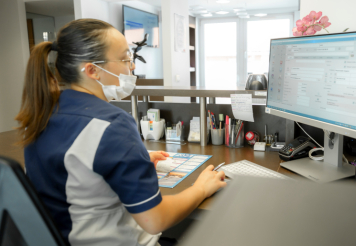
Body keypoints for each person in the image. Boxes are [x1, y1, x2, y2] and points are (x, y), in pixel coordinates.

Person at [15, 19, 226, 246]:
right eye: (125, 59)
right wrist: (201, 188)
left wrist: (133, 159)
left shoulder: (40, 115)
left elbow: (74, 174)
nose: (132, 67)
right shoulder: (112, 124)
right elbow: (155, 220)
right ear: (92, 70)